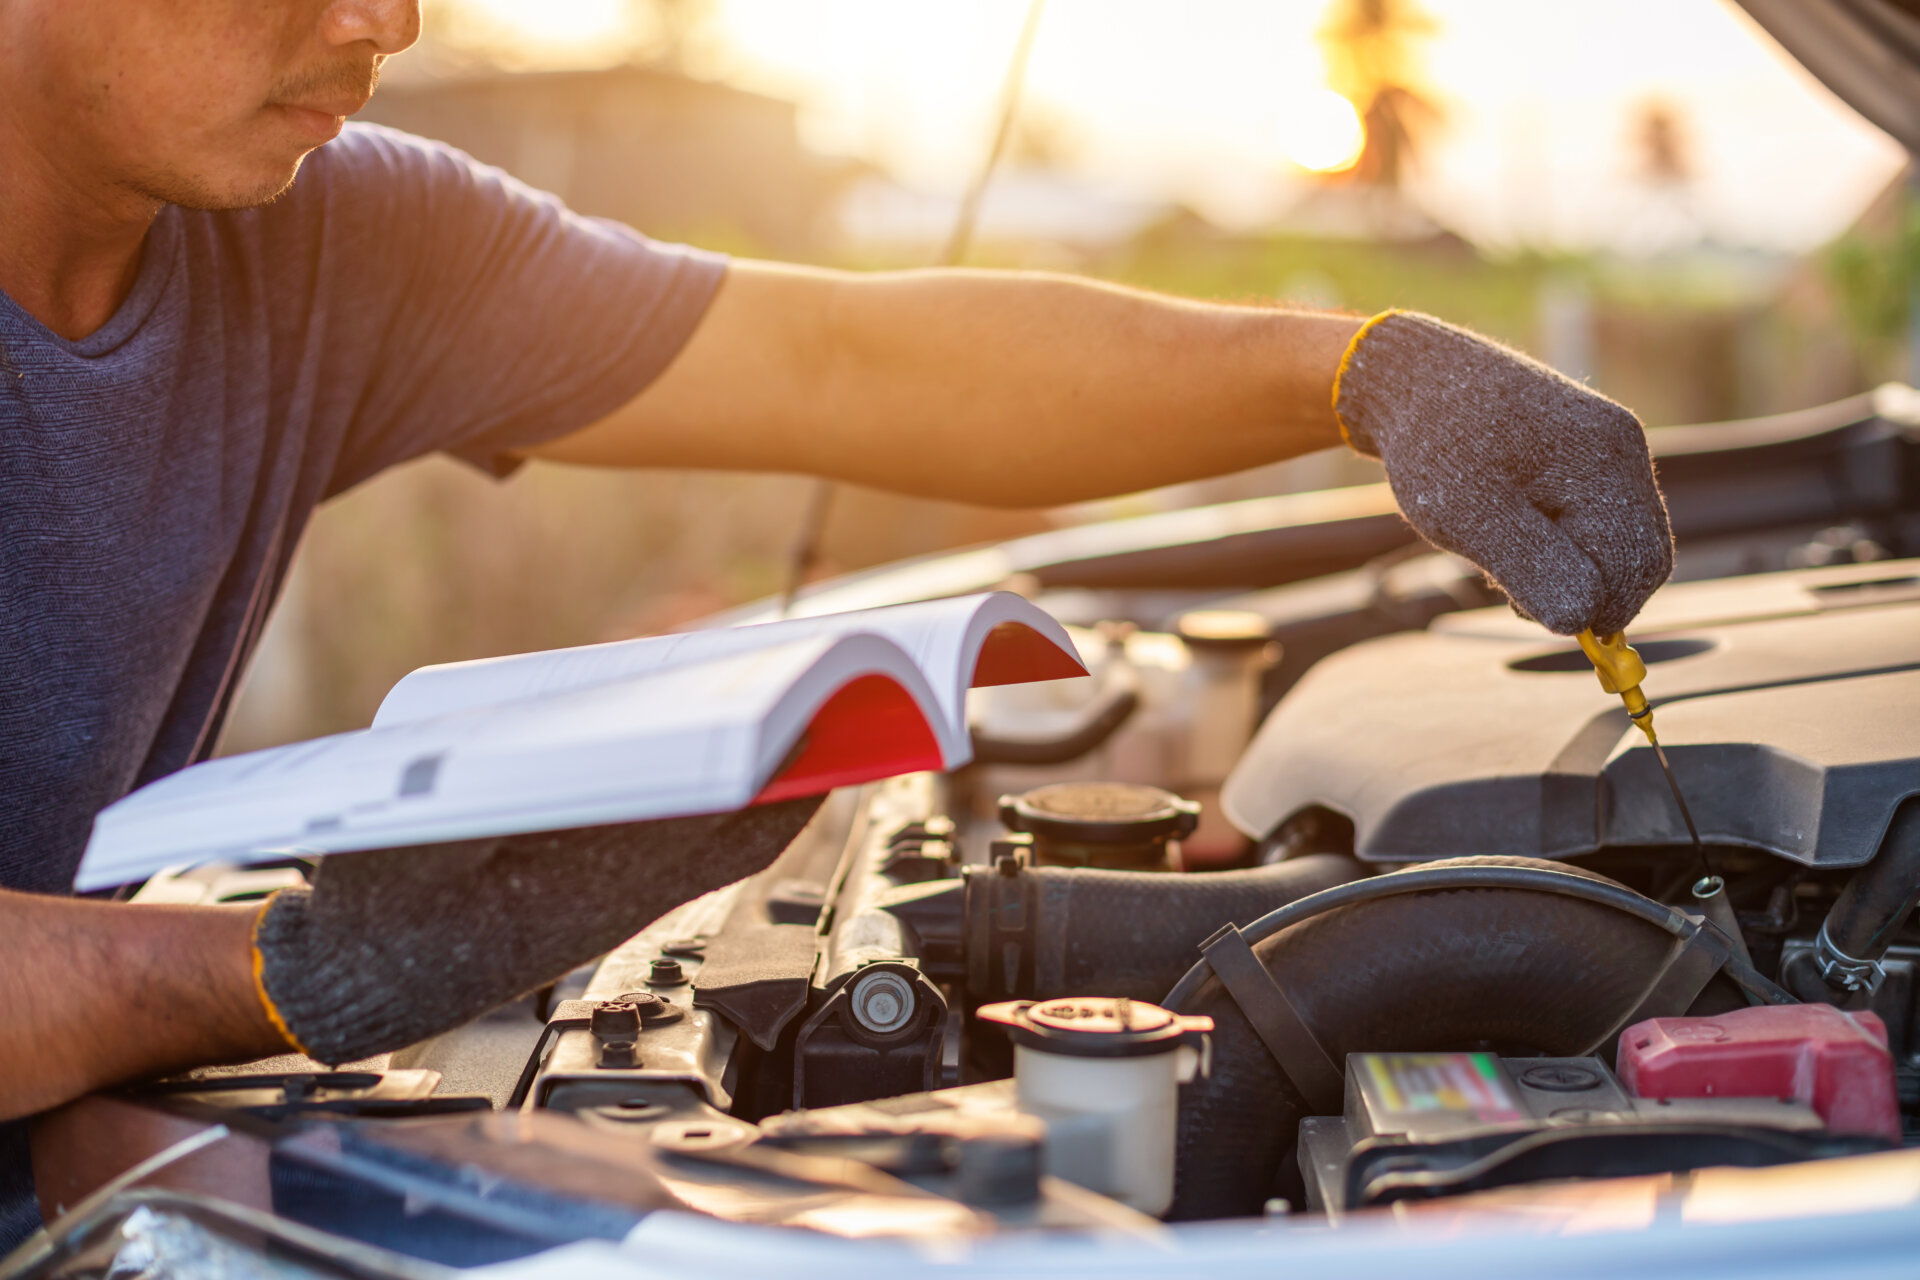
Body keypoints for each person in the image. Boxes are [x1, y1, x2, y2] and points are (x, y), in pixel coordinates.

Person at [0, 0, 1672, 1243]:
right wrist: (283, 975)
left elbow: (849, 361)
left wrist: (1353, 375)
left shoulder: (327, 234)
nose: (388, 22)